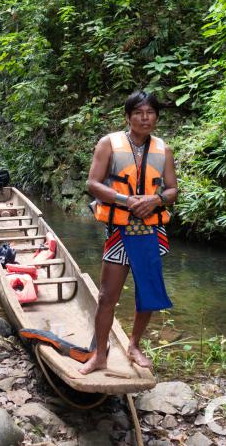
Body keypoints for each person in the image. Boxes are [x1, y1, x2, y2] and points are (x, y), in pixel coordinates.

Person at [79, 91, 177, 375]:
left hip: (150, 230)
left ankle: (134, 344)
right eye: (139, 112)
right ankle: (99, 355)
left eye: (150, 113)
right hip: (120, 230)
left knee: (147, 292)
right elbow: (93, 184)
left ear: (156, 117)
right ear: (128, 116)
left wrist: (155, 200)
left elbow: (172, 190)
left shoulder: (163, 150)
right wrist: (127, 201)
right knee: (106, 296)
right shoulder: (108, 144)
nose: (145, 118)